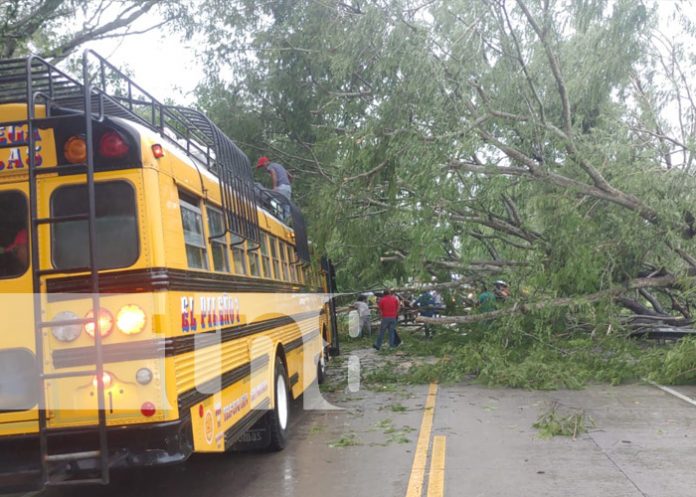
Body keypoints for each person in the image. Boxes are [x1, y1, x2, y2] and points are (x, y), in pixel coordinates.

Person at [257, 156, 292, 221]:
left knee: (275, 202)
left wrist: (275, 187)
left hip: (281, 188)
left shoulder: (270, 166)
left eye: (262, 166)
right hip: (288, 188)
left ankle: (280, 222)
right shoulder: (278, 165)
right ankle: (287, 222)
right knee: (286, 206)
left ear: (266, 163)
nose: (263, 168)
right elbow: (290, 176)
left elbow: (274, 174)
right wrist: (287, 184)